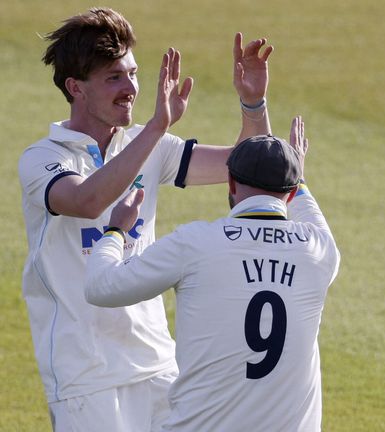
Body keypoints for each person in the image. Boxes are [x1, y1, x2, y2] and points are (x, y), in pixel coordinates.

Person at [18, 7, 274, 430]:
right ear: (75, 88)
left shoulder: (148, 143)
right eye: (114, 78)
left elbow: (247, 169)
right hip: (85, 374)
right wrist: (156, 128)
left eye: (133, 74)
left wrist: (252, 104)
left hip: (157, 364)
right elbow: (85, 200)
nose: (131, 88)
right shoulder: (43, 158)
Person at [84, 123, 340, 432]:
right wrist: (297, 174)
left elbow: (101, 287)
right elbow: (307, 207)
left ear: (230, 182)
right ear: (290, 192)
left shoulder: (195, 242)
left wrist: (115, 231)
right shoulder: (320, 249)